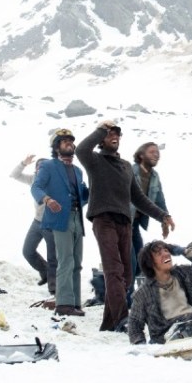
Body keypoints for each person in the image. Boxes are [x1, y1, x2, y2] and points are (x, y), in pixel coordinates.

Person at [76, 120, 174, 332]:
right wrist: (101, 129)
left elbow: (138, 198)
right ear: (102, 139)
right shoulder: (94, 160)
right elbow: (81, 149)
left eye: (117, 134)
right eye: (110, 134)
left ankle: (110, 323)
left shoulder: (125, 167)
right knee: (114, 271)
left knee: (127, 275)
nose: (115, 136)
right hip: (104, 220)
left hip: (124, 222)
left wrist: (162, 215)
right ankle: (122, 318)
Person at [31, 129, 90, 316]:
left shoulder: (78, 171)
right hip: (59, 219)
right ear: (56, 147)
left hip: (77, 218)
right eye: (64, 141)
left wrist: (91, 191)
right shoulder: (48, 166)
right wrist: (48, 200)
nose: (69, 144)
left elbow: (82, 196)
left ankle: (75, 303)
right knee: (66, 260)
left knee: (77, 262)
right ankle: (64, 304)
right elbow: (36, 187)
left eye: (71, 141)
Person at [128, 241, 192, 345]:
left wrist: (184, 250)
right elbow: (134, 324)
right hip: (169, 338)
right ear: (150, 263)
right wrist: (141, 346)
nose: (166, 254)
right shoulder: (143, 293)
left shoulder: (182, 274)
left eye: (166, 250)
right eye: (159, 254)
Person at [10, 153, 57, 293]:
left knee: (53, 256)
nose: (40, 170)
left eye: (44, 167)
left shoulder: (54, 181)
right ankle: (45, 273)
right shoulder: (33, 179)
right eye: (38, 167)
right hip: (37, 222)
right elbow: (14, 175)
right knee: (27, 251)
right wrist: (24, 163)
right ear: (35, 170)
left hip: (51, 223)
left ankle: (55, 287)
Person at [128, 141, 169, 300]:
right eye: (152, 152)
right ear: (141, 155)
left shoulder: (154, 176)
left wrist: (164, 220)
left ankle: (129, 291)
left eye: (157, 152)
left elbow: (159, 200)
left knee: (139, 260)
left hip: (136, 223)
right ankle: (127, 298)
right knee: (130, 259)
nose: (156, 154)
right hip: (124, 221)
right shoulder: (130, 171)